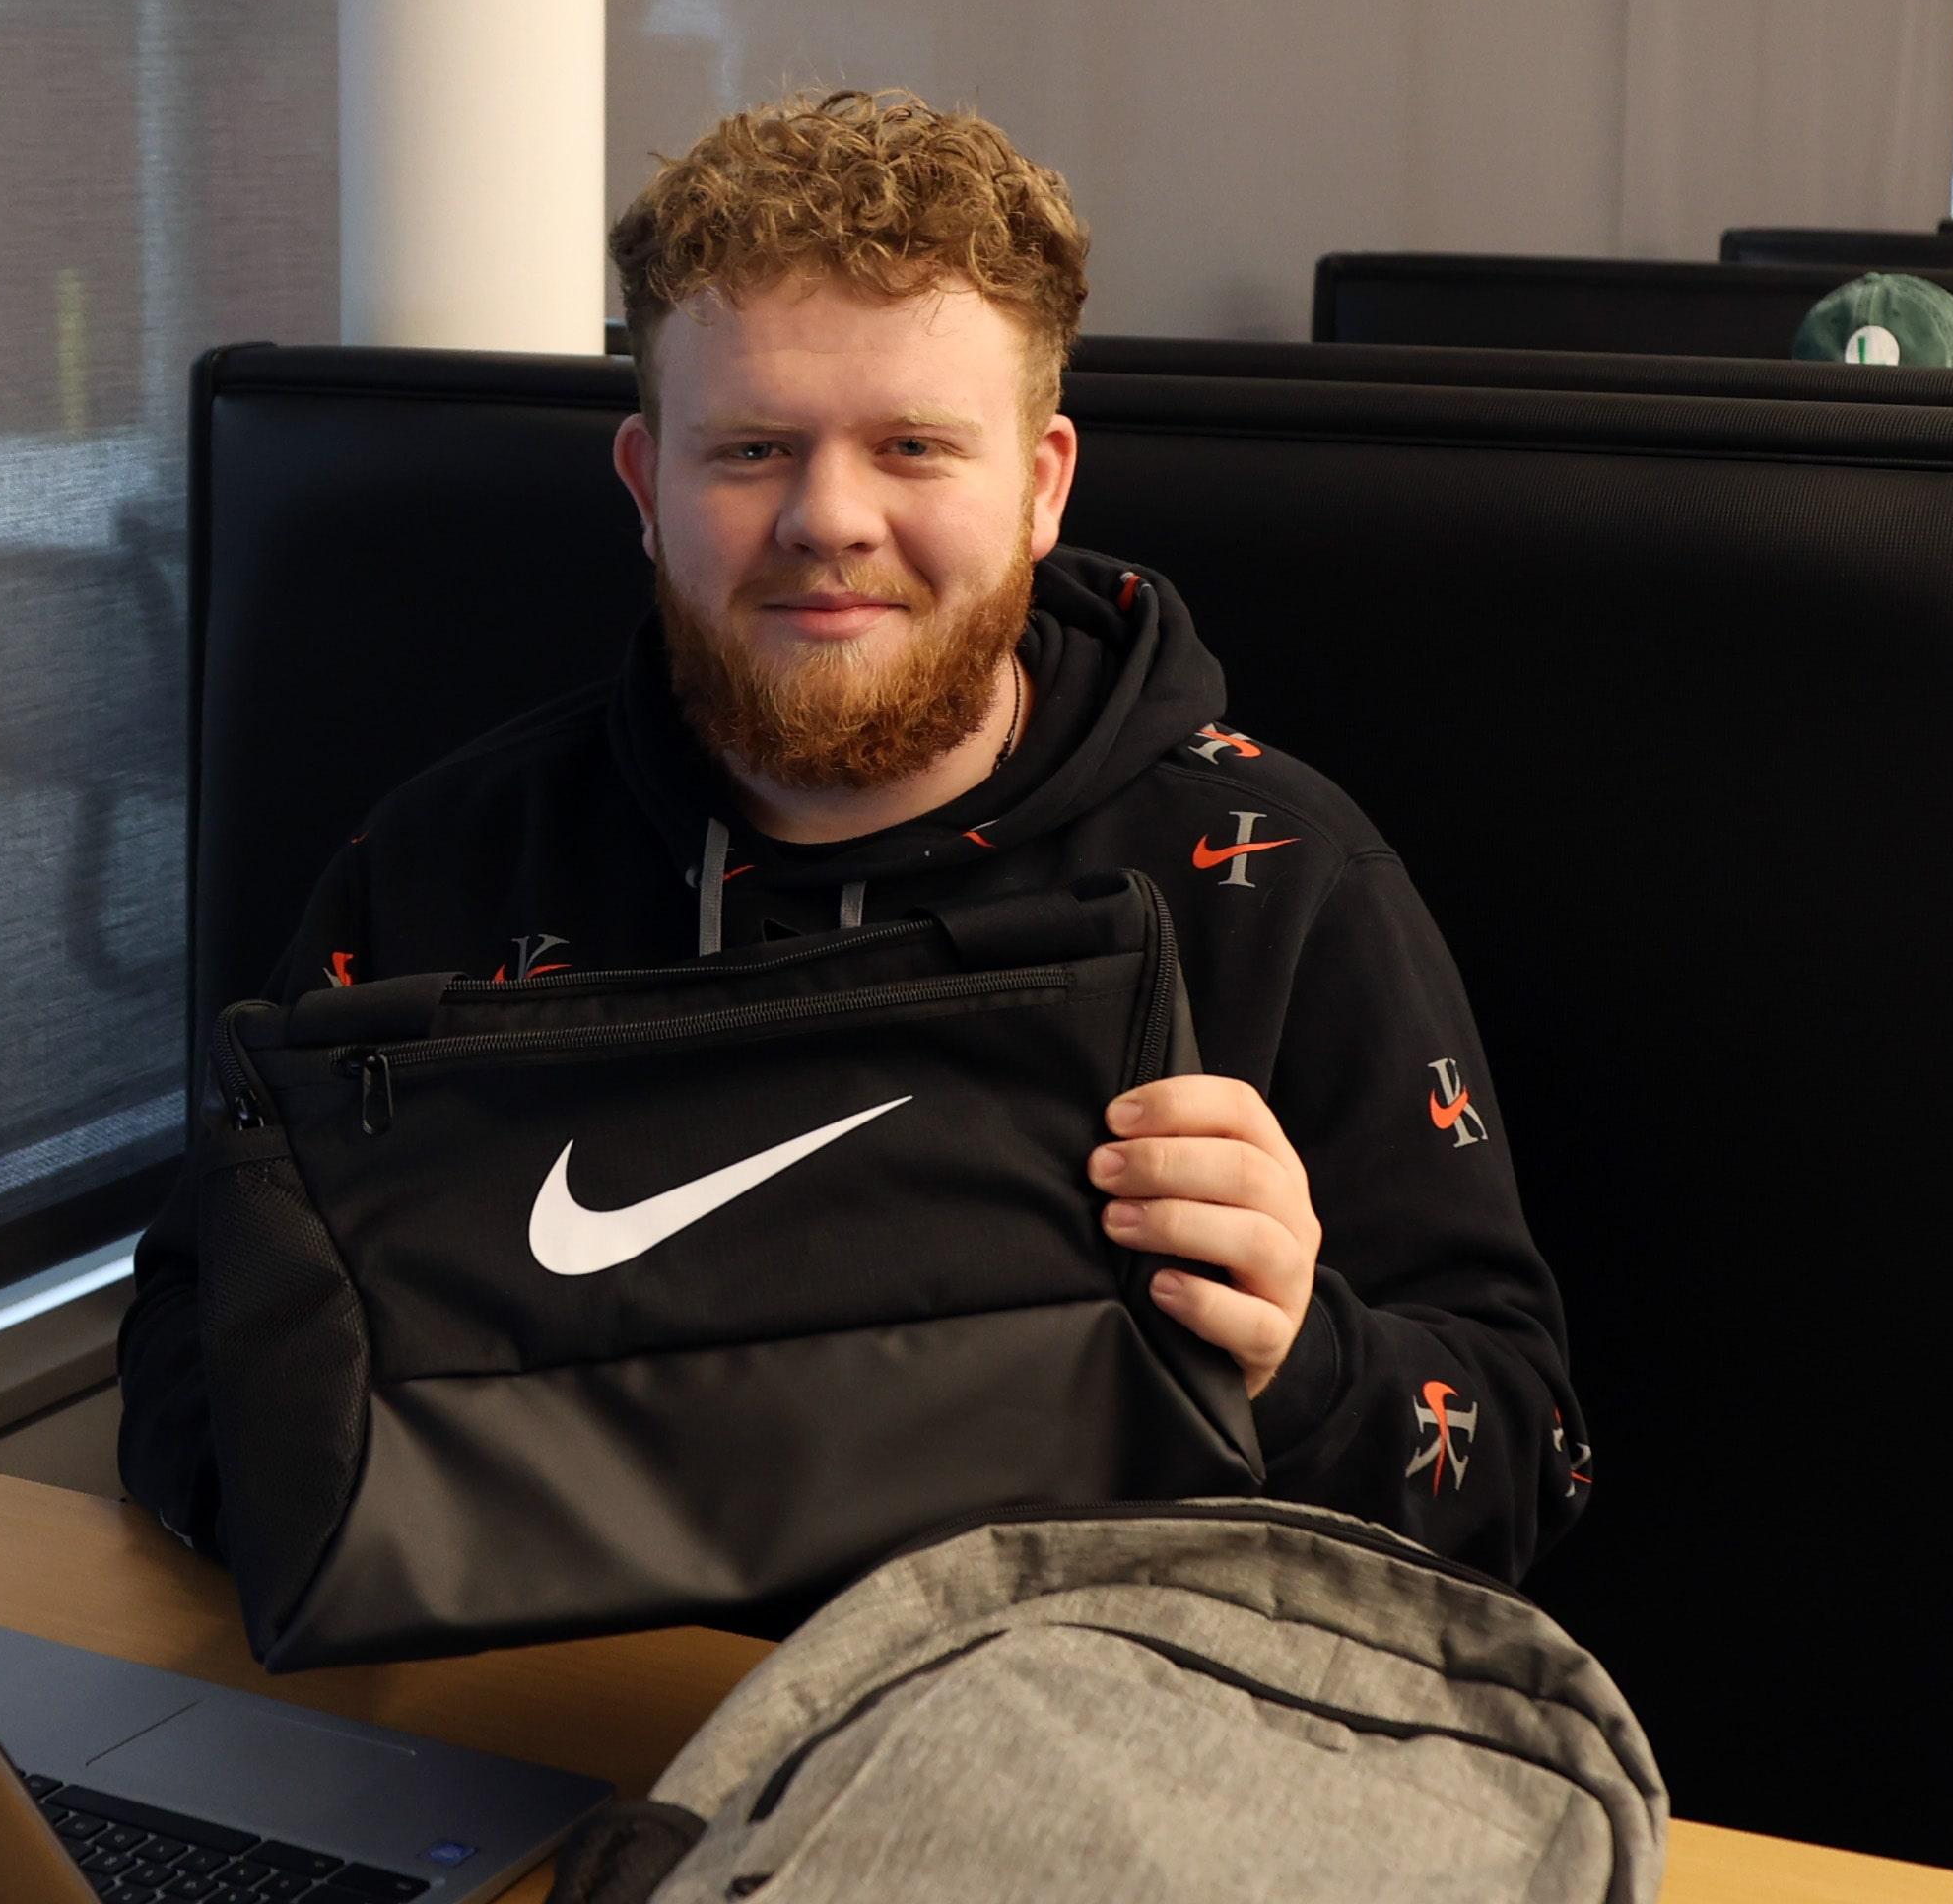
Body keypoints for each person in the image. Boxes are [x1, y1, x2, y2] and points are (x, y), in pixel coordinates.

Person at [118, 88, 1588, 1585]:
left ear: (1040, 486)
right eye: (751, 449)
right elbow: (183, 1342)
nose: (828, 518)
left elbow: (1524, 1465)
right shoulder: (443, 862)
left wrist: (1300, 1358)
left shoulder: (1279, 880)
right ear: (645, 486)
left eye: (911, 447)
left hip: (1071, 1749)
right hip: (540, 1736)